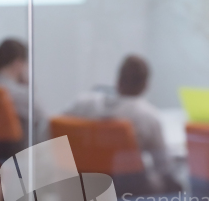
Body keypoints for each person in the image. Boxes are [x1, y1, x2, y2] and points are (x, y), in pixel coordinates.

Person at [67, 55, 181, 193]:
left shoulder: (83, 104)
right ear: (145, 85)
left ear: (118, 80)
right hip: (125, 192)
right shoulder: (147, 116)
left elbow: (50, 131)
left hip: (82, 186)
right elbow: (162, 166)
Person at [0, 39, 47, 142]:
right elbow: (44, 121)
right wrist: (29, 87)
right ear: (17, 63)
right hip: (17, 154)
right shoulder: (20, 95)